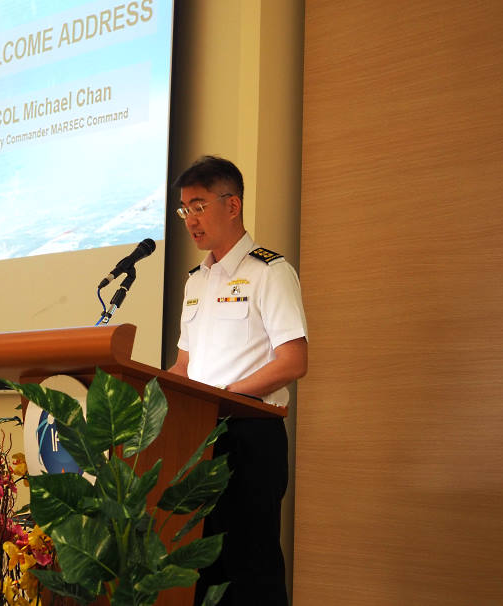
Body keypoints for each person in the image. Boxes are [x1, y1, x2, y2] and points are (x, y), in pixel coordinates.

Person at [167, 156, 308, 606]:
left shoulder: (270, 271)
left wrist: (225, 396)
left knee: (251, 568)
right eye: (184, 209)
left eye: (199, 206)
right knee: (206, 570)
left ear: (233, 206)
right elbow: (183, 367)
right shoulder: (195, 282)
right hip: (199, 438)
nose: (190, 219)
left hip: (250, 437)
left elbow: (294, 360)